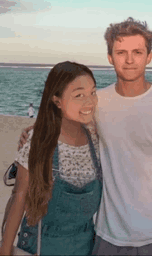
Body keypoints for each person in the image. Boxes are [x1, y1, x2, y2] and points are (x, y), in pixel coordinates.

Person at [18, 18, 152, 255]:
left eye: (137, 52)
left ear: (149, 56)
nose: (130, 59)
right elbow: (65, 118)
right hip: (107, 238)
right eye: (121, 52)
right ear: (110, 57)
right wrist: (36, 129)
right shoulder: (97, 102)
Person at [0, 61, 102, 256]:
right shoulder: (38, 141)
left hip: (87, 245)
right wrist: (5, 250)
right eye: (78, 95)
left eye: (93, 92)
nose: (89, 102)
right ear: (57, 101)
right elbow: (19, 196)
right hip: (41, 246)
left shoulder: (96, 137)